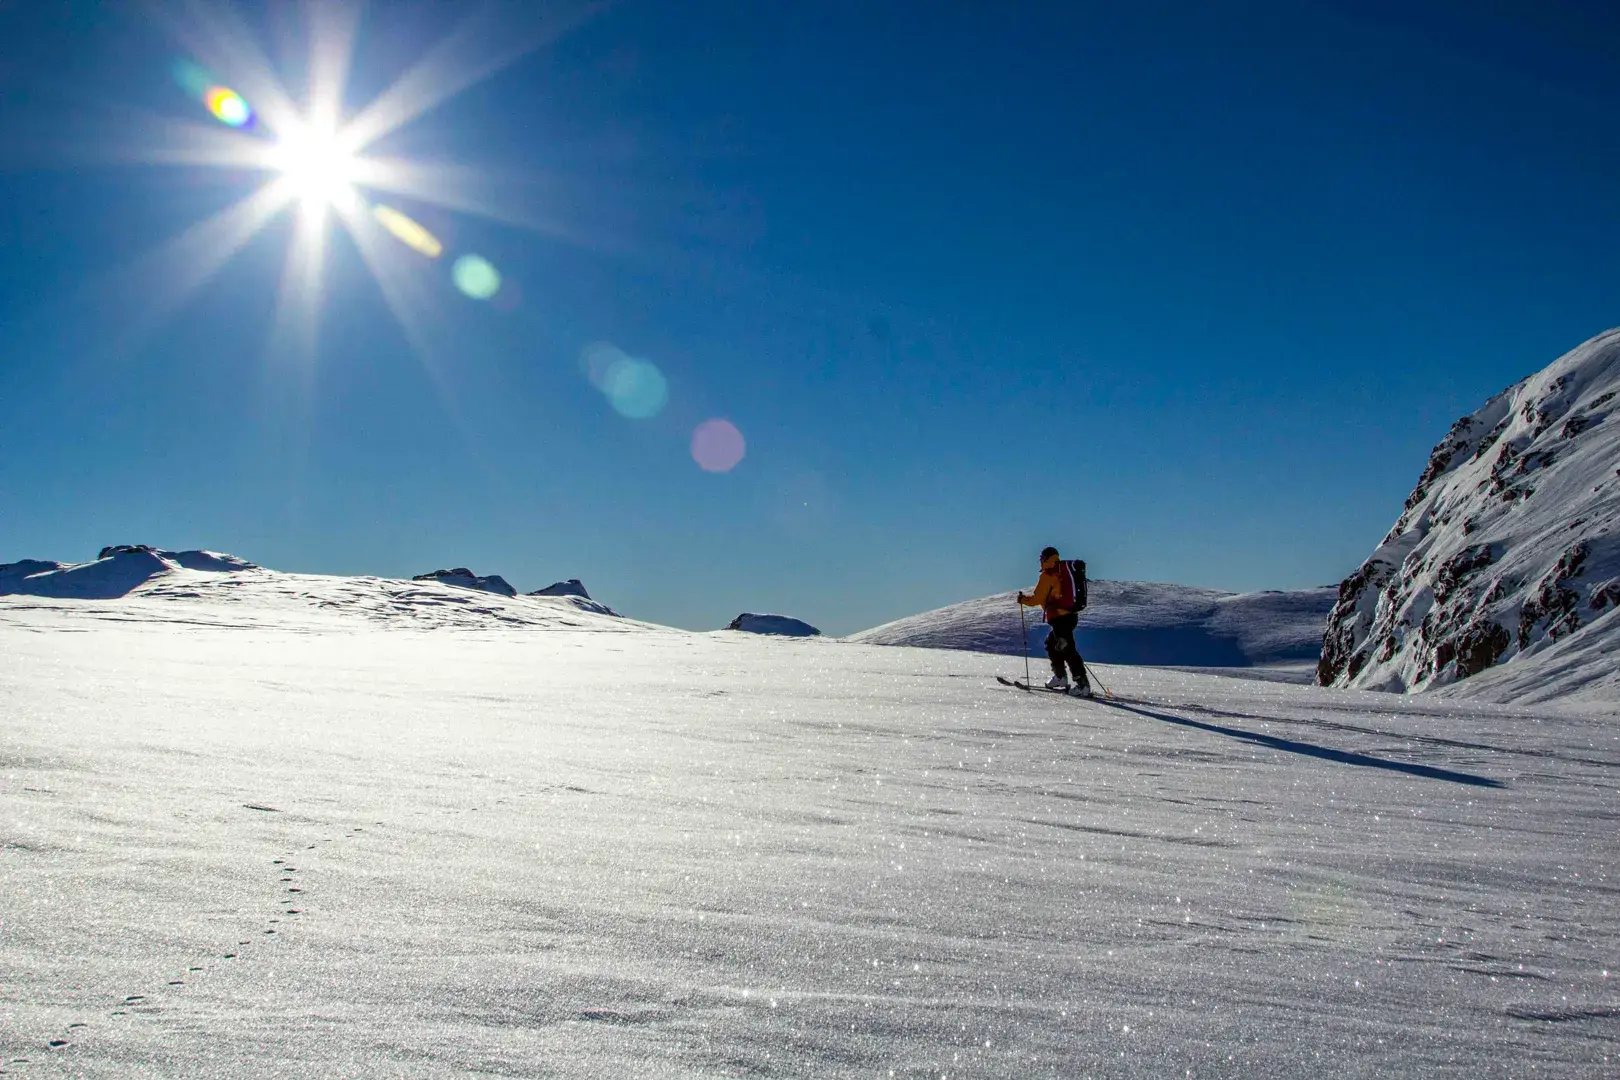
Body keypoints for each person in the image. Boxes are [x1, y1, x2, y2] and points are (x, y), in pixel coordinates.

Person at [1018, 546, 1092, 697]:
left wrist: (1023, 600)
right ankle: (1060, 678)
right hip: (1070, 616)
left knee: (1067, 648)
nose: (1040, 561)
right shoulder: (1061, 571)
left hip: (1060, 617)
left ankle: (1082, 684)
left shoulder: (1048, 574)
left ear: (1046, 558)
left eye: (1041, 558)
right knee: (1052, 643)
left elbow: (1038, 598)